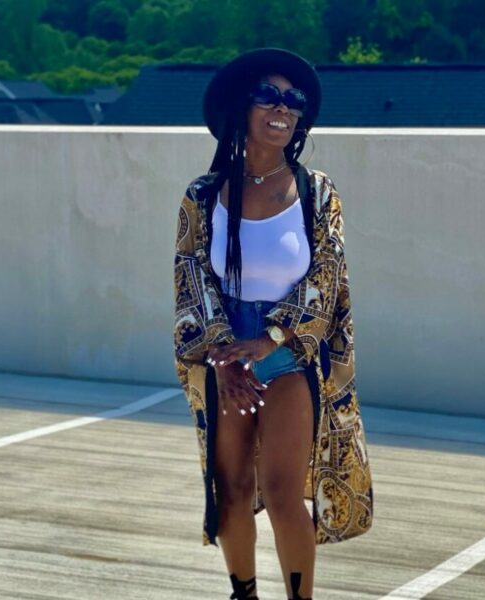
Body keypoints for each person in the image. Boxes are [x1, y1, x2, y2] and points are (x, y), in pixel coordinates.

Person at [172, 47, 373, 600]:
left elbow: (328, 277)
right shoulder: (203, 196)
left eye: (294, 99)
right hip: (226, 358)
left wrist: (269, 340)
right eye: (269, 96)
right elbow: (191, 283)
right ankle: (244, 595)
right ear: (243, 107)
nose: (283, 108)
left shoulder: (316, 192)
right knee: (232, 489)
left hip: (288, 355)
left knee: (284, 494)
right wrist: (222, 357)